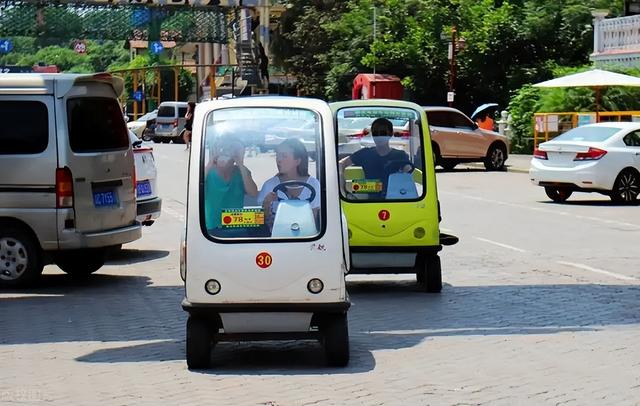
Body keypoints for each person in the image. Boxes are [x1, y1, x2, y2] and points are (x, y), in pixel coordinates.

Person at [258, 138, 320, 229]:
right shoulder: (269, 185)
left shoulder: (314, 184)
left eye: (284, 156)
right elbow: (262, 223)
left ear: (297, 161)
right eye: (277, 155)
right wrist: (266, 204)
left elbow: (313, 221)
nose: (279, 160)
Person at [338, 117, 411, 195]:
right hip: (370, 202)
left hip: (396, 198)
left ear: (390, 134)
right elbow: (341, 163)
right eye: (376, 133)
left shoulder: (400, 156)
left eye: (383, 133)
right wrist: (342, 186)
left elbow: (408, 171)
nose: (379, 137)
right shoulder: (365, 153)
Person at [204, 137, 258, 231]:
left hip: (235, 227)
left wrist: (240, 164)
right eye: (221, 148)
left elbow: (253, 193)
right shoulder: (208, 173)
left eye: (230, 149)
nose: (225, 152)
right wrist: (210, 163)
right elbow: (195, 192)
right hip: (210, 230)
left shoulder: (242, 173)